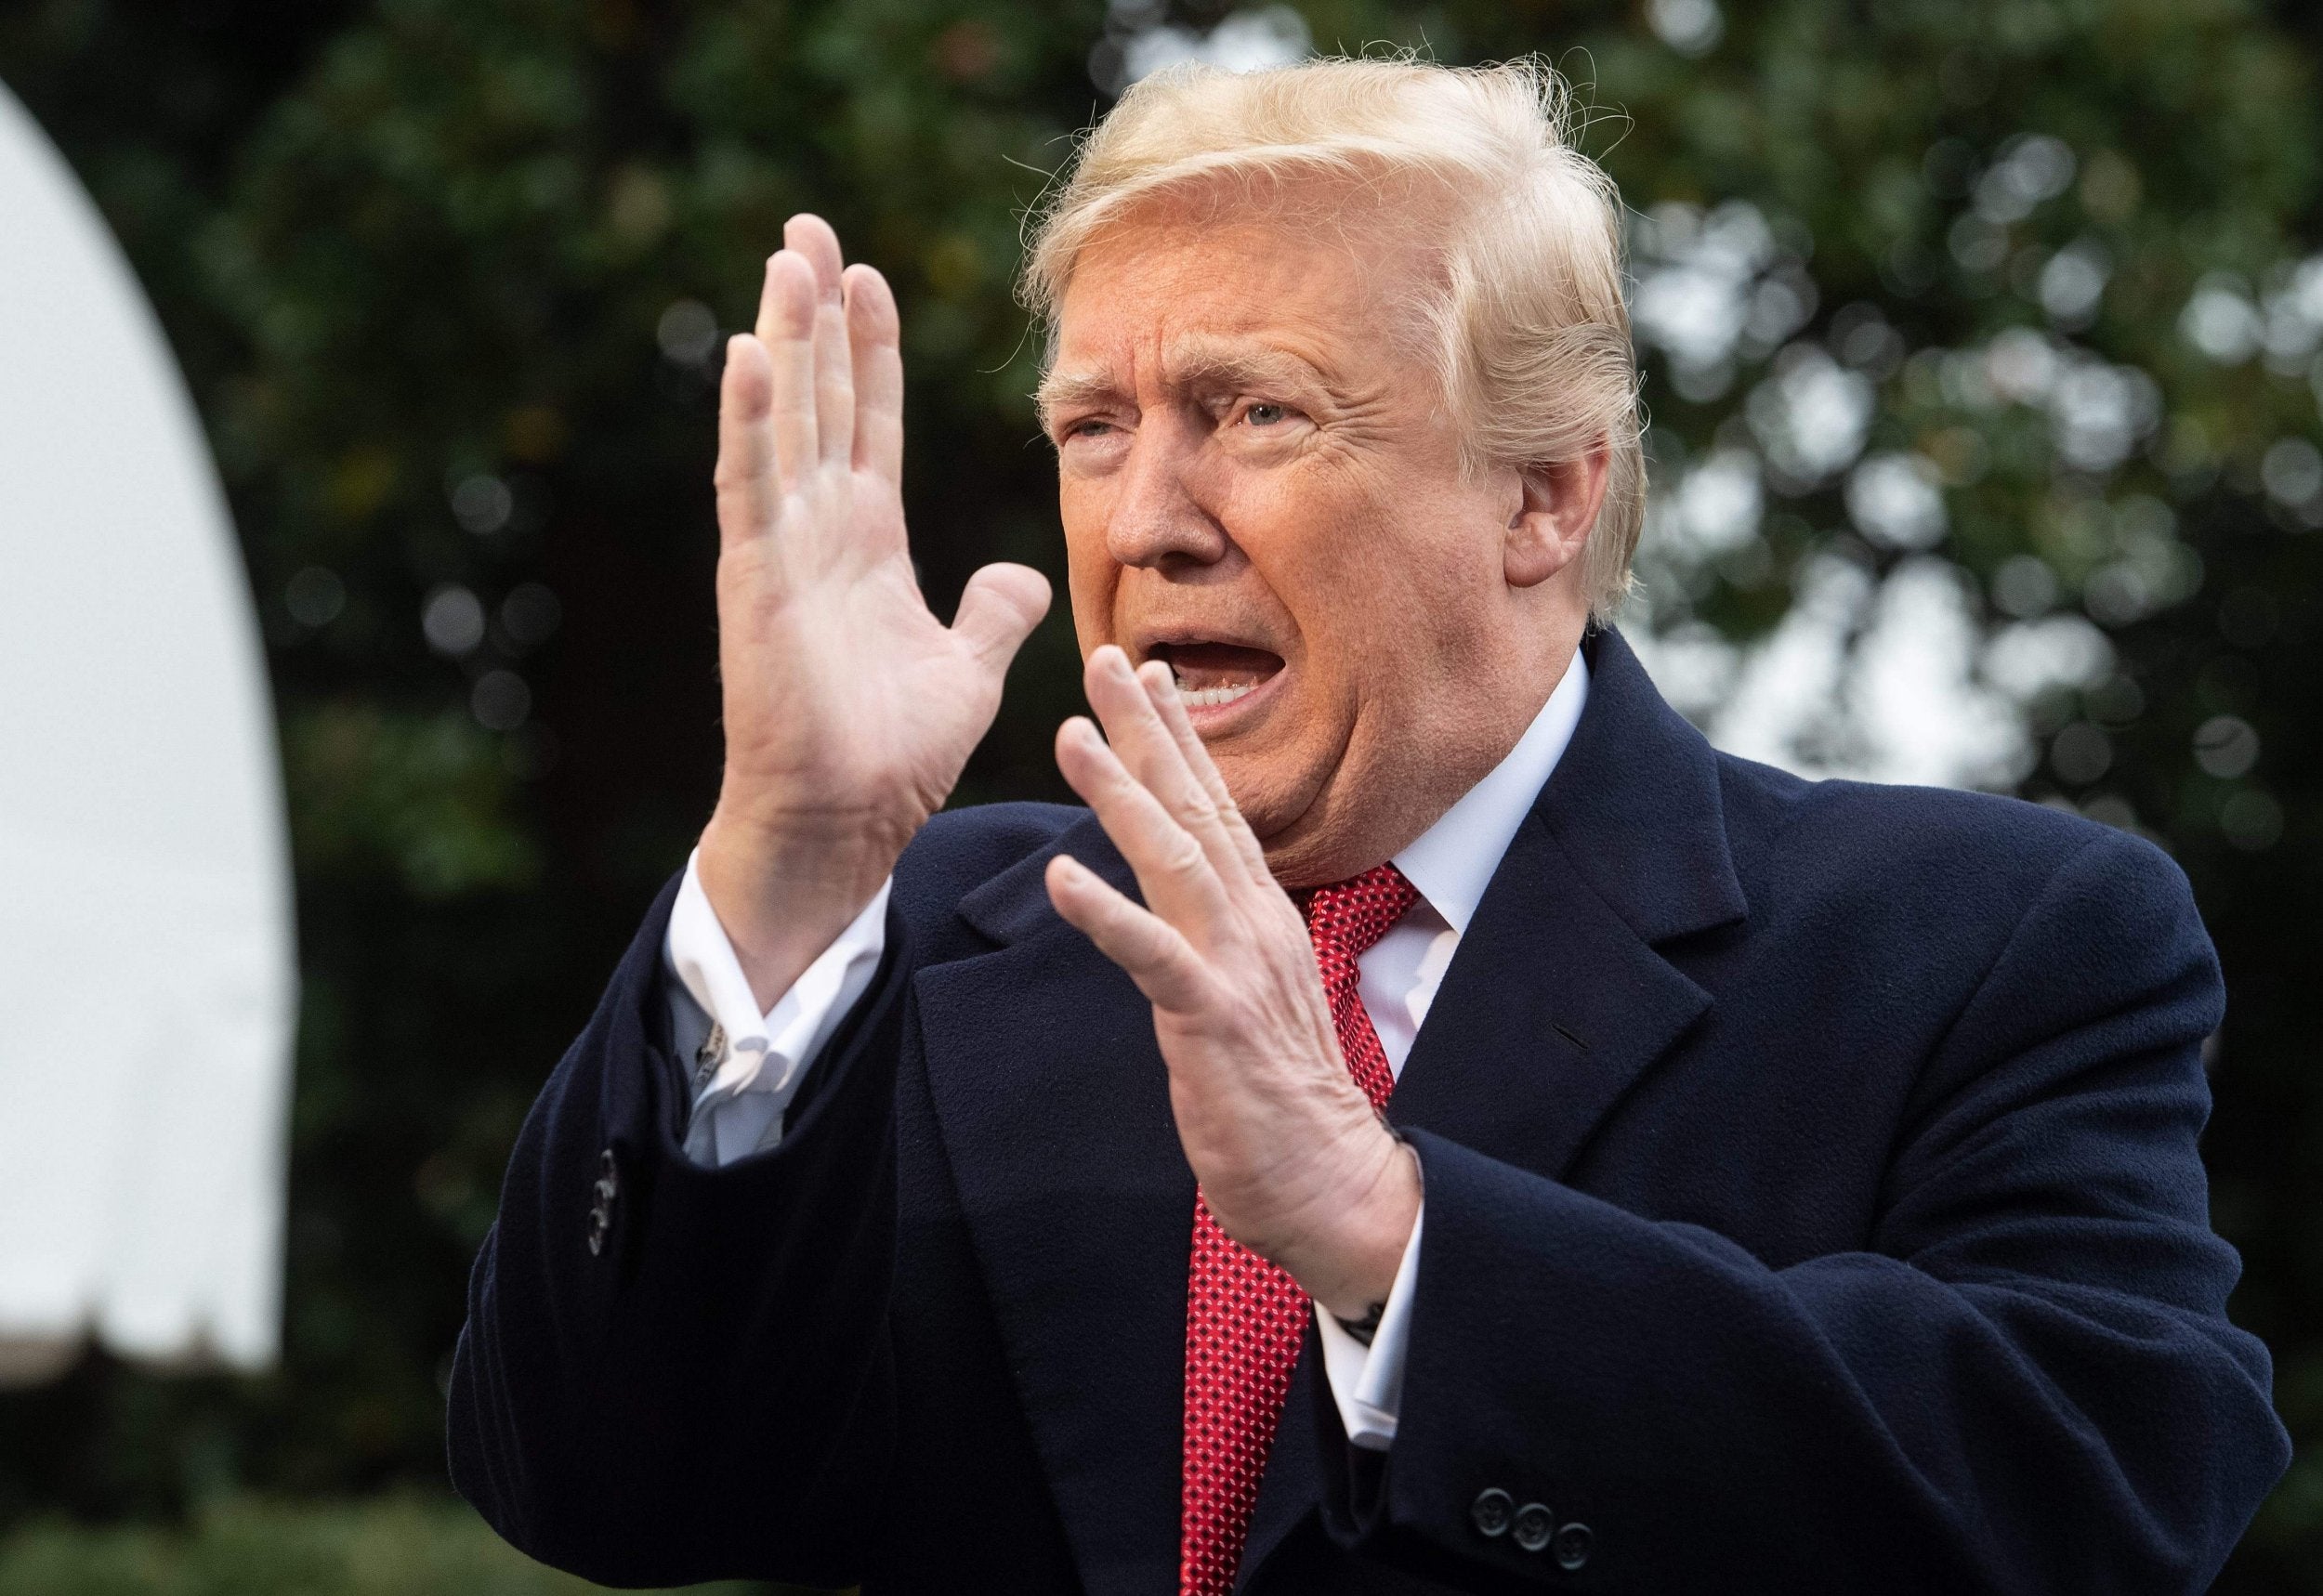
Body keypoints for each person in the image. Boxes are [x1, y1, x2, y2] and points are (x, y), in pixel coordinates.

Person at [447, 57, 2288, 1595]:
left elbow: (2103, 1494)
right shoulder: (909, 936)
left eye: (1255, 409)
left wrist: (1391, 1234)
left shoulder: (1978, 937)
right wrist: (785, 851)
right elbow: (605, 1489)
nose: (1145, 519)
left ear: (1541, 497)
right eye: (1092, 426)